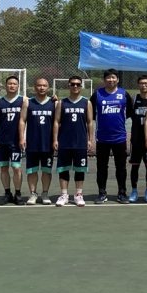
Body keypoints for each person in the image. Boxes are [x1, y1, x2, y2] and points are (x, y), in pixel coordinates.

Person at [90, 68, 134, 203]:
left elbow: (130, 112)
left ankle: (122, 193)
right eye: (108, 78)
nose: (111, 80)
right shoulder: (97, 94)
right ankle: (102, 193)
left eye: (113, 77)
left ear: (118, 79)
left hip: (119, 138)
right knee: (101, 168)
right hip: (102, 138)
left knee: (121, 167)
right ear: (104, 80)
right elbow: (90, 113)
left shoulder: (124, 94)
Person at [52, 76, 94, 207]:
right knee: (63, 169)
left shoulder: (86, 103)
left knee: (80, 169)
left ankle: (78, 194)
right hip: (64, 141)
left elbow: (90, 122)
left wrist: (90, 139)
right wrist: (55, 139)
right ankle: (64, 195)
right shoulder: (62, 103)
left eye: (78, 84)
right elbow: (56, 121)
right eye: (73, 84)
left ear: (81, 86)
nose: (75, 86)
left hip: (80, 142)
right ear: (69, 85)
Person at [19, 77, 56, 205]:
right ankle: (33, 194)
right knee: (32, 170)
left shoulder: (54, 103)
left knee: (46, 170)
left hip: (48, 143)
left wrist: (55, 140)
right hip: (32, 143)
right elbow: (22, 120)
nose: (41, 88)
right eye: (39, 85)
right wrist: (21, 138)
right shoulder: (28, 102)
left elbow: (58, 122)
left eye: (44, 85)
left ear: (48, 88)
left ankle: (45, 194)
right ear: (34, 87)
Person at [0, 75, 26, 205]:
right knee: (4, 168)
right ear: (5, 86)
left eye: (14, 84)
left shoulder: (23, 100)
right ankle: (7, 193)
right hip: (2, 140)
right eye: (9, 83)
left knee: (16, 168)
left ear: (18, 86)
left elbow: (40, 101)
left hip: (16, 141)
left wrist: (54, 99)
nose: (12, 86)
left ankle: (18, 194)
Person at [128, 75, 147, 203]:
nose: (144, 85)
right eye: (141, 83)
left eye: (146, 83)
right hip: (136, 139)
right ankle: (134, 190)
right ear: (138, 85)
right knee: (135, 166)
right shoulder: (134, 99)